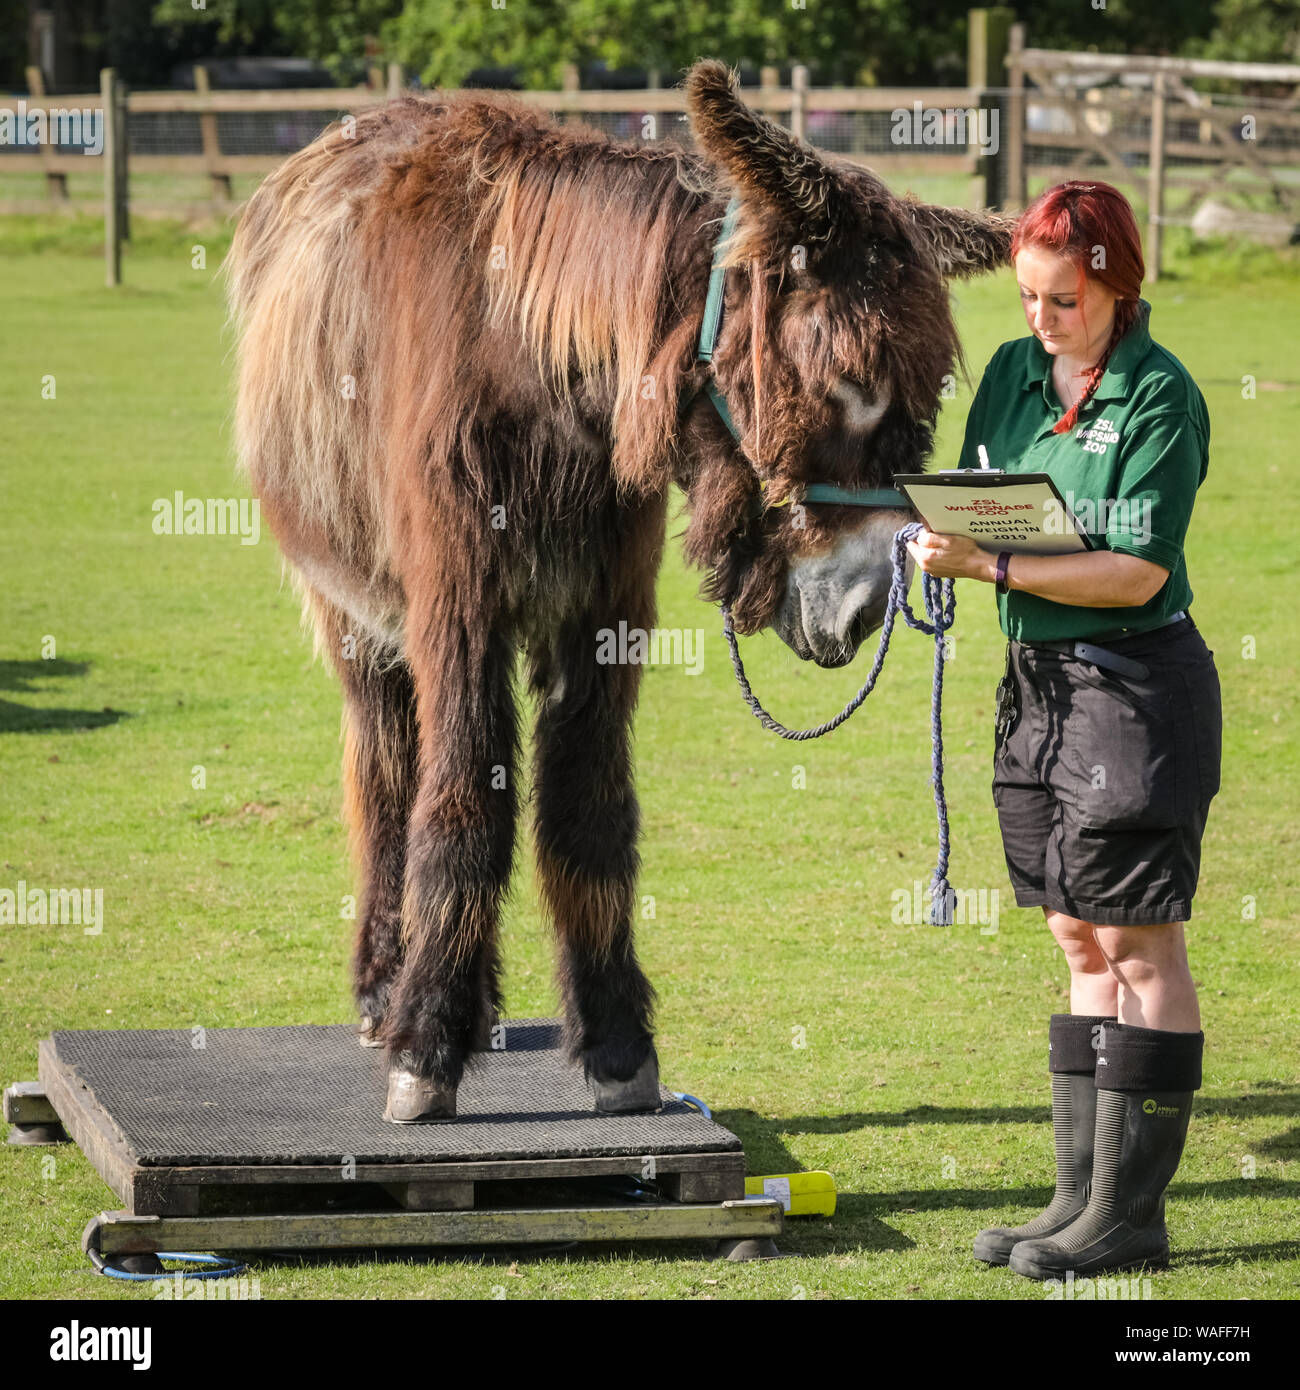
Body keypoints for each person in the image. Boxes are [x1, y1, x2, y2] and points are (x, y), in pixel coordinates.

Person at [905, 181, 1222, 1280]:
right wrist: (940, 535)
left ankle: (1133, 1217)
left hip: (1133, 687)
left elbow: (1134, 569)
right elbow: (979, 492)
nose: (1039, 319)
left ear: (1115, 286)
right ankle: (1078, 1198)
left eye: (1062, 302)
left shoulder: (1159, 400)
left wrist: (990, 563)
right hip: (1035, 685)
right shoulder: (1006, 372)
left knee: (1139, 939)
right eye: (1029, 298)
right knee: (1076, 935)